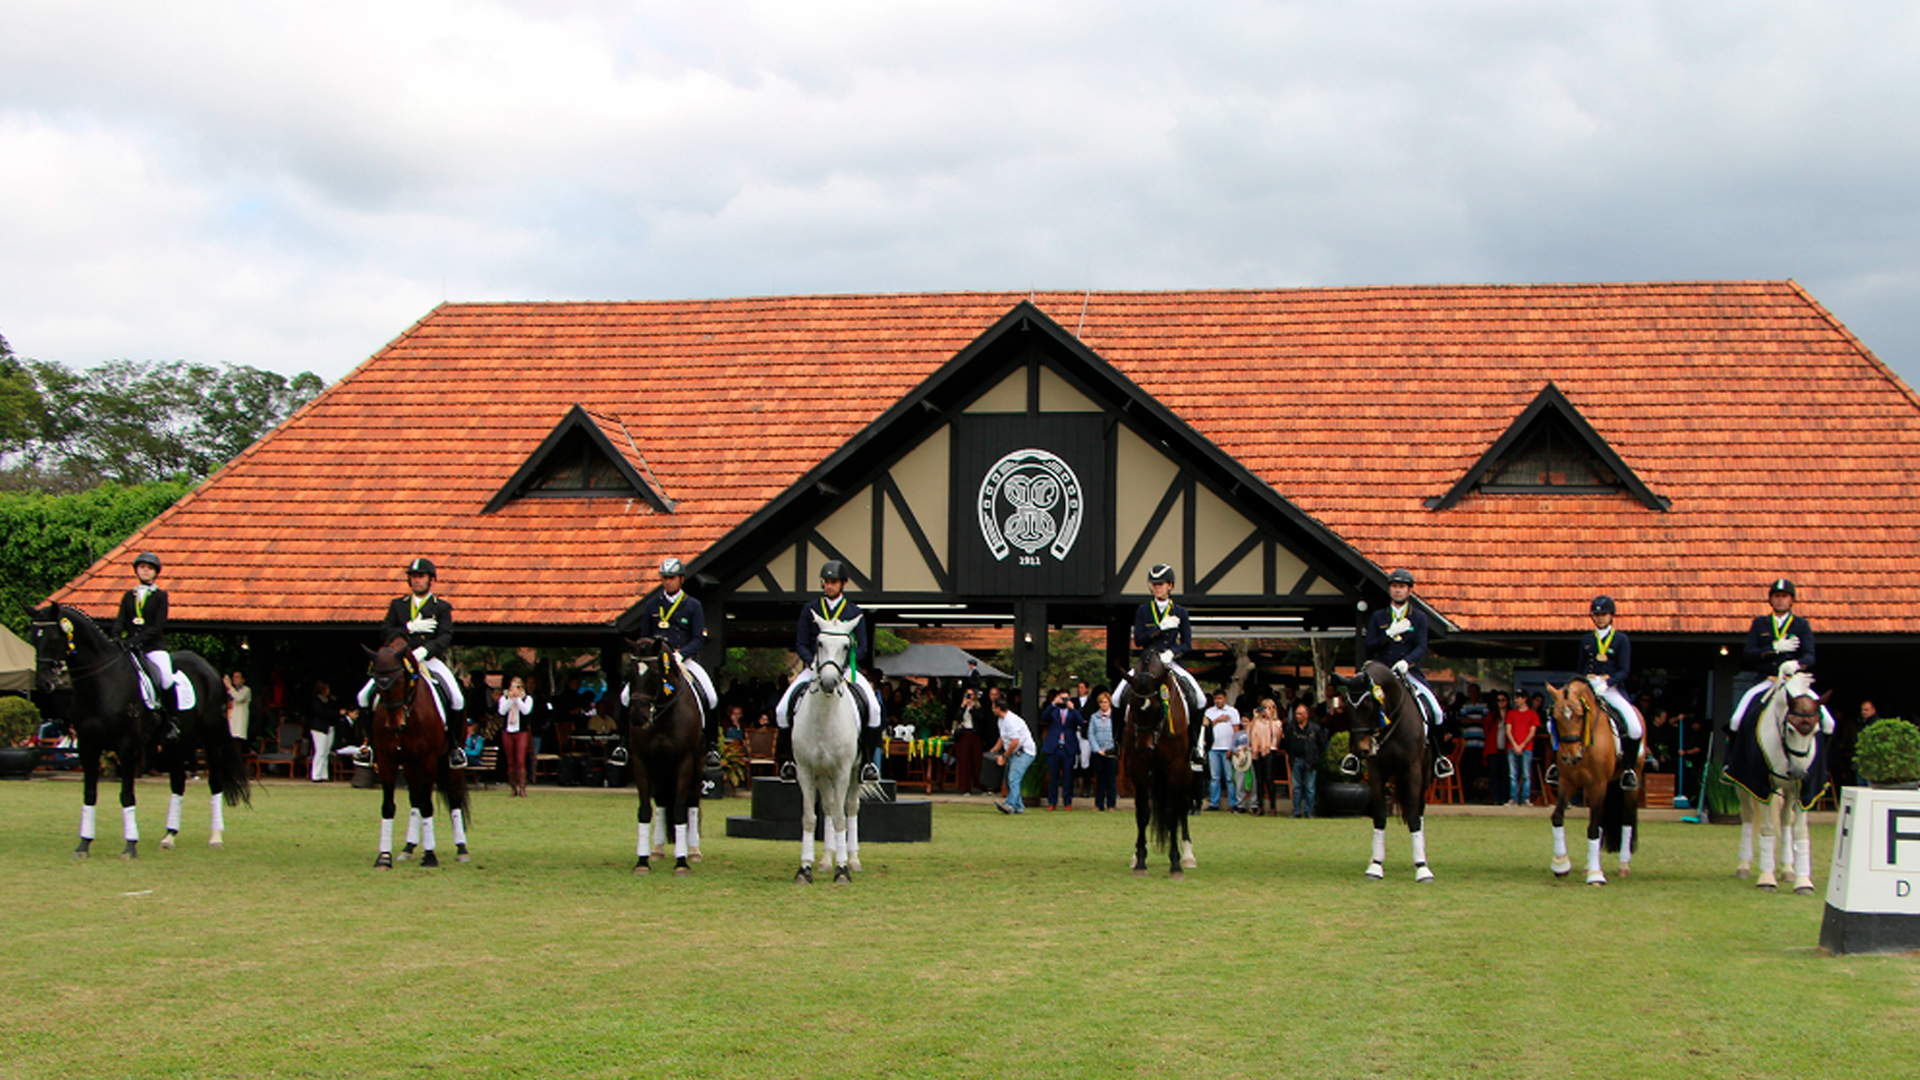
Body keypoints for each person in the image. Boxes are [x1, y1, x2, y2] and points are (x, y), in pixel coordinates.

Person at [774, 560, 885, 781]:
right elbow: (801, 643)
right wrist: (814, 663)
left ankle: (868, 763)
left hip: (846, 671)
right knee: (781, 709)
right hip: (815, 669)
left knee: (874, 708)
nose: (829, 586)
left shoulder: (854, 612)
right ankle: (790, 761)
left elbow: (862, 646)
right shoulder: (810, 609)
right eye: (826, 582)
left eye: (833, 582)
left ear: (843, 583)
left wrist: (844, 665)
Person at [350, 558, 465, 767]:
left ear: (430, 580)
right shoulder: (398, 605)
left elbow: (445, 635)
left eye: (421, 577)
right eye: (413, 577)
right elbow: (386, 631)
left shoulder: (441, 607)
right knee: (363, 696)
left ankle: (455, 748)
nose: (416, 581)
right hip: (399, 661)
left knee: (457, 698)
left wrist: (426, 650)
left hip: (428, 660)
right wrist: (409, 627)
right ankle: (369, 746)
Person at [613, 558, 720, 769]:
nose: (667, 582)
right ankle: (623, 744)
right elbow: (644, 636)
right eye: (664, 578)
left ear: (681, 579)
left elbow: (698, 637)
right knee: (626, 695)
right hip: (656, 663)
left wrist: (682, 654)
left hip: (683, 661)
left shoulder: (693, 605)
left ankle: (712, 747)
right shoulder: (652, 605)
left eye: (671, 578)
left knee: (711, 696)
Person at [1365, 568, 1453, 778]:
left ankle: (1439, 757)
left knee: (1437, 711)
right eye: (1395, 586)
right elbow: (1370, 646)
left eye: (1402, 587)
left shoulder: (1419, 618)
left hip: (1409, 672)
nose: (1398, 591)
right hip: (1383, 673)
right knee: (1362, 706)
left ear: (1409, 591)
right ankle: (1357, 756)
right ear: (1390, 589)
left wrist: (1407, 662)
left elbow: (1421, 646)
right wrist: (1387, 634)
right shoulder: (1379, 617)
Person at [1110, 564, 1207, 753]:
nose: (1157, 588)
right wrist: (1160, 628)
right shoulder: (1143, 610)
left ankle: (1195, 746)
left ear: (1170, 585)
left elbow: (1187, 643)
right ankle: (1116, 743)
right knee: (1115, 698)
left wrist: (1173, 652)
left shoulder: (1181, 612)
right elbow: (1139, 640)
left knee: (1200, 700)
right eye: (1154, 585)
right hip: (1147, 664)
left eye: (1160, 584)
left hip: (1170, 661)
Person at [1730, 578, 1835, 738]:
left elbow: (1810, 656)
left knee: (1828, 723)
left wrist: (1797, 664)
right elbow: (1749, 654)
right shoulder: (1760, 624)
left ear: (1791, 600)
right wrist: (1773, 648)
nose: (1780, 600)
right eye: (1777, 596)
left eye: (1784, 596)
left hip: (1793, 681)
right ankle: (1731, 762)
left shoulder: (1801, 625)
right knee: (1736, 721)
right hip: (1767, 681)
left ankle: (1820, 762)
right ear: (1771, 599)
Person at [112, 552, 196, 742]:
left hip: (153, 647)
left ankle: (172, 720)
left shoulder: (160, 596)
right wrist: (116, 636)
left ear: (154, 573)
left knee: (166, 678)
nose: (145, 571)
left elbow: (158, 626)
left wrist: (137, 640)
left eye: (149, 568)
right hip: (131, 647)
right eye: (142, 567)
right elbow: (120, 620)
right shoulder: (128, 596)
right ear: (137, 570)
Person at [1576, 594, 1645, 790]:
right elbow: (1580, 668)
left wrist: (1607, 683)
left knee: (1634, 727)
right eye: (1596, 615)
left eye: (1603, 614)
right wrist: (1583, 682)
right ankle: (1558, 764)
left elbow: (1624, 670)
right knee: (1562, 716)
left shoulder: (1621, 640)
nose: (1600, 618)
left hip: (1611, 690)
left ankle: (1629, 769)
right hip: (1588, 690)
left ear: (1611, 616)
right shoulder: (1587, 640)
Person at [989, 698, 1036, 814]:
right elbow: (1003, 737)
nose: (992, 709)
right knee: (1012, 779)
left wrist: (1005, 756)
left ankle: (1009, 804)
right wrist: (995, 748)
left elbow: (1015, 741)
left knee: (1014, 778)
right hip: (1016, 751)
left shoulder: (1010, 721)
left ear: (999, 708)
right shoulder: (1001, 720)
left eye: (993, 707)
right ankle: (1018, 806)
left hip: (1024, 751)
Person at [1283, 702, 1328, 817]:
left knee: (1310, 788)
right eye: (1296, 714)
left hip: (1310, 761)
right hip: (1296, 760)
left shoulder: (1315, 729)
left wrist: (1315, 757)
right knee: (1296, 787)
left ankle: (1309, 811)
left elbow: (1322, 744)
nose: (1297, 716)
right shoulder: (1291, 728)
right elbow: (1287, 744)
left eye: (1300, 714)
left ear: (1306, 715)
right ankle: (1296, 811)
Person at [1040, 689, 1081, 810]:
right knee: (1053, 776)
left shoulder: (1072, 712)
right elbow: (1044, 717)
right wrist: (1053, 703)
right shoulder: (1053, 711)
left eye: (1066, 698)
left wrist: (1073, 708)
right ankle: (1052, 802)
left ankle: (1068, 802)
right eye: (1062, 698)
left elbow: (1081, 722)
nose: (1064, 701)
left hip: (1068, 747)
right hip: (1054, 747)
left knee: (1068, 776)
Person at [498, 675, 537, 797]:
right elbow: (501, 711)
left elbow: (526, 711)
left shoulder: (527, 699)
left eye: (517, 686)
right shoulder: (504, 698)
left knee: (520, 760)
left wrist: (518, 699)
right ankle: (513, 788)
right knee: (510, 760)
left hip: (521, 732)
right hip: (508, 732)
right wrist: (510, 699)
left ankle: (523, 787)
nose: (514, 689)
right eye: (513, 686)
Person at [1202, 689, 1240, 811]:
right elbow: (1206, 727)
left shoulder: (1232, 711)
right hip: (1213, 748)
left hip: (1227, 747)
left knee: (1229, 778)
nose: (1218, 701)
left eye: (1220, 698)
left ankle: (1233, 803)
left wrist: (1232, 747)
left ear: (1225, 698)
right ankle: (1214, 803)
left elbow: (1236, 730)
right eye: (1216, 699)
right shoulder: (1209, 712)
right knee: (1215, 777)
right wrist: (1218, 720)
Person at [1502, 690, 1539, 806]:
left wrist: (1521, 745)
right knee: (1513, 775)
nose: (1516, 700)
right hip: (1513, 747)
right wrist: (1515, 745)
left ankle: (1525, 799)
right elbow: (1508, 730)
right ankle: (1513, 798)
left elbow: (1532, 732)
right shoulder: (1512, 713)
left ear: (1525, 699)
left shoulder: (1532, 715)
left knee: (1526, 774)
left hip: (1526, 748)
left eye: (1518, 698)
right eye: (1516, 698)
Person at [1248, 698, 1283, 816]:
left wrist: (1270, 720)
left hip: (1270, 750)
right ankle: (1260, 806)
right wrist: (1255, 717)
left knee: (1269, 779)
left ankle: (1273, 806)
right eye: (1265, 708)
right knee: (1258, 780)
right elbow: (1250, 733)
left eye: (1269, 708)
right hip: (1257, 751)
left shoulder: (1276, 723)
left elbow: (1277, 737)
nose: (1267, 710)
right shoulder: (1257, 722)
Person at [1086, 690, 1119, 811]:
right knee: (1100, 779)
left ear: (1109, 703)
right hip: (1098, 752)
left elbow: (1117, 734)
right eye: (1101, 703)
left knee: (1111, 778)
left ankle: (1111, 804)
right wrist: (1097, 749)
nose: (1104, 705)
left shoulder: (1115, 717)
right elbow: (1091, 734)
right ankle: (1099, 804)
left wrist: (1111, 748)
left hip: (1111, 752)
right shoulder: (1094, 717)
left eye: (1106, 702)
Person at [951, 686, 987, 794]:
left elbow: (981, 719)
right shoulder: (961, 706)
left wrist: (972, 709)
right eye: (967, 694)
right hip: (964, 734)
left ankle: (980, 786)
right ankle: (964, 788)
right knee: (964, 761)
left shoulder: (978, 707)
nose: (969, 697)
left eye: (971, 695)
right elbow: (957, 718)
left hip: (975, 734)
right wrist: (963, 707)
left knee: (977, 760)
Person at [305, 681, 340, 782]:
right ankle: (316, 775)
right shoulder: (315, 701)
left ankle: (324, 775)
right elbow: (322, 713)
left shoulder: (329, 700)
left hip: (329, 728)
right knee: (320, 752)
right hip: (319, 729)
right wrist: (336, 713)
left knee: (326, 752)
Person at [225, 670, 252, 751]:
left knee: (237, 747)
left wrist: (229, 687)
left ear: (243, 680)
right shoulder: (231, 691)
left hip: (239, 725)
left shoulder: (246, 690)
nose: (235, 679)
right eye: (233, 678)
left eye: (237, 677)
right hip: (231, 723)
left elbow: (239, 698)